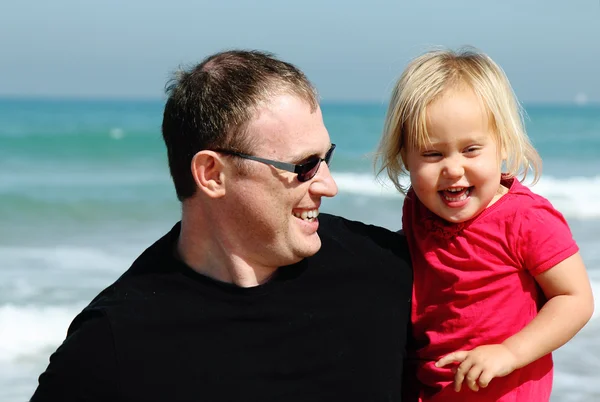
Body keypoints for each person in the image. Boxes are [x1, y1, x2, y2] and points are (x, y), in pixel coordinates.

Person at [30, 50, 413, 402]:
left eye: (325, 158)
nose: (329, 185)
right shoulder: (112, 346)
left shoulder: (387, 271)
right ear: (212, 174)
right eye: (304, 167)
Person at [376, 48, 594, 401]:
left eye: (471, 149)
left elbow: (575, 299)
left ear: (502, 144)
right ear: (405, 155)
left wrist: (509, 353)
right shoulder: (418, 210)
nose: (452, 168)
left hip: (503, 392)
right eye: (432, 154)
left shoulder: (525, 219)